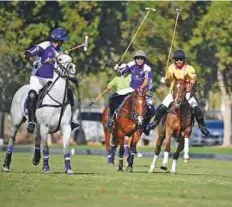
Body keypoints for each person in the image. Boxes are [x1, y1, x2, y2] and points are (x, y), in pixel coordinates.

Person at [24, 27, 79, 133]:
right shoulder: (44, 45)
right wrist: (34, 63)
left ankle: (70, 120)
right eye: (62, 41)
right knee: (32, 95)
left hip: (52, 79)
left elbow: (63, 69)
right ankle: (31, 122)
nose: (63, 42)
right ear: (58, 40)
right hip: (38, 77)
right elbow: (27, 54)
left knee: (68, 93)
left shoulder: (60, 51)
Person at [145, 49, 210, 137]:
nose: (179, 61)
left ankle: (202, 127)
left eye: (181, 59)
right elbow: (167, 82)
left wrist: (193, 81)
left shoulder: (189, 68)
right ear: (174, 60)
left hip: (186, 92)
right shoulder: (171, 68)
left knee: (196, 109)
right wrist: (165, 80)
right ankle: (154, 123)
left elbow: (195, 78)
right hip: (174, 92)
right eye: (177, 59)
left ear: (184, 60)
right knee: (161, 107)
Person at [106, 50, 155, 132]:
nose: (139, 60)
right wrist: (118, 69)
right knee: (113, 97)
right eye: (138, 58)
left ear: (144, 60)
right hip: (132, 89)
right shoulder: (131, 64)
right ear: (135, 59)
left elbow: (146, 81)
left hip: (144, 91)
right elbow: (123, 72)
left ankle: (145, 126)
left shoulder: (147, 68)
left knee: (151, 110)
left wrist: (141, 87)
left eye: (141, 59)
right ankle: (111, 120)